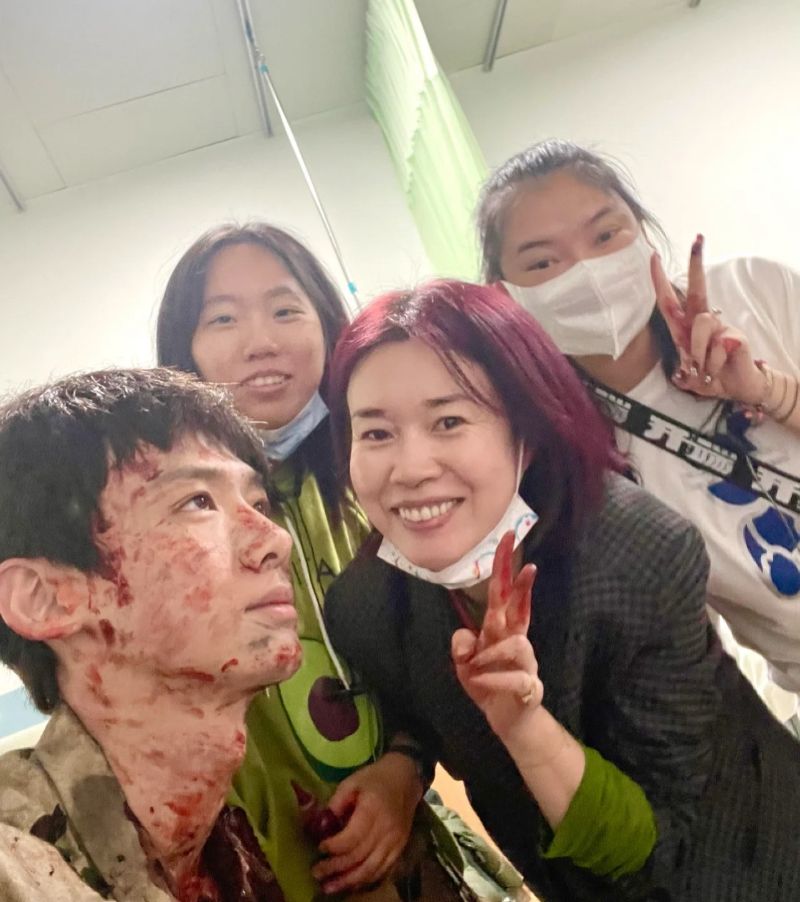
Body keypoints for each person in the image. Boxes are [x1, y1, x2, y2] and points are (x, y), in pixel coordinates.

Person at [323, 280, 800, 901]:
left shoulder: (638, 556)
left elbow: (656, 852)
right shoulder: (365, 607)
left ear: (525, 432)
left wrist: (524, 725)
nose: (410, 470)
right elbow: (423, 711)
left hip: (748, 859)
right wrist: (403, 768)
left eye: (449, 421)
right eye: (376, 434)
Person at [156, 225, 517, 902]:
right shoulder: (168, 525)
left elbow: (446, 659)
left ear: (327, 325)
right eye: (223, 318)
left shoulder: (387, 487)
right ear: (185, 351)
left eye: (285, 309)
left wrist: (405, 770)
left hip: (411, 849)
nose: (261, 341)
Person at [477, 139, 800, 722]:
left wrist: (765, 390)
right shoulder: (566, 463)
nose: (588, 272)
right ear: (506, 296)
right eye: (543, 263)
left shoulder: (754, 292)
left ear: (644, 233)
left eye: (606, 236)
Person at [0, 368, 301, 900]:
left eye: (258, 504)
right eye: (197, 502)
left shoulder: (224, 850)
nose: (275, 539)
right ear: (45, 599)